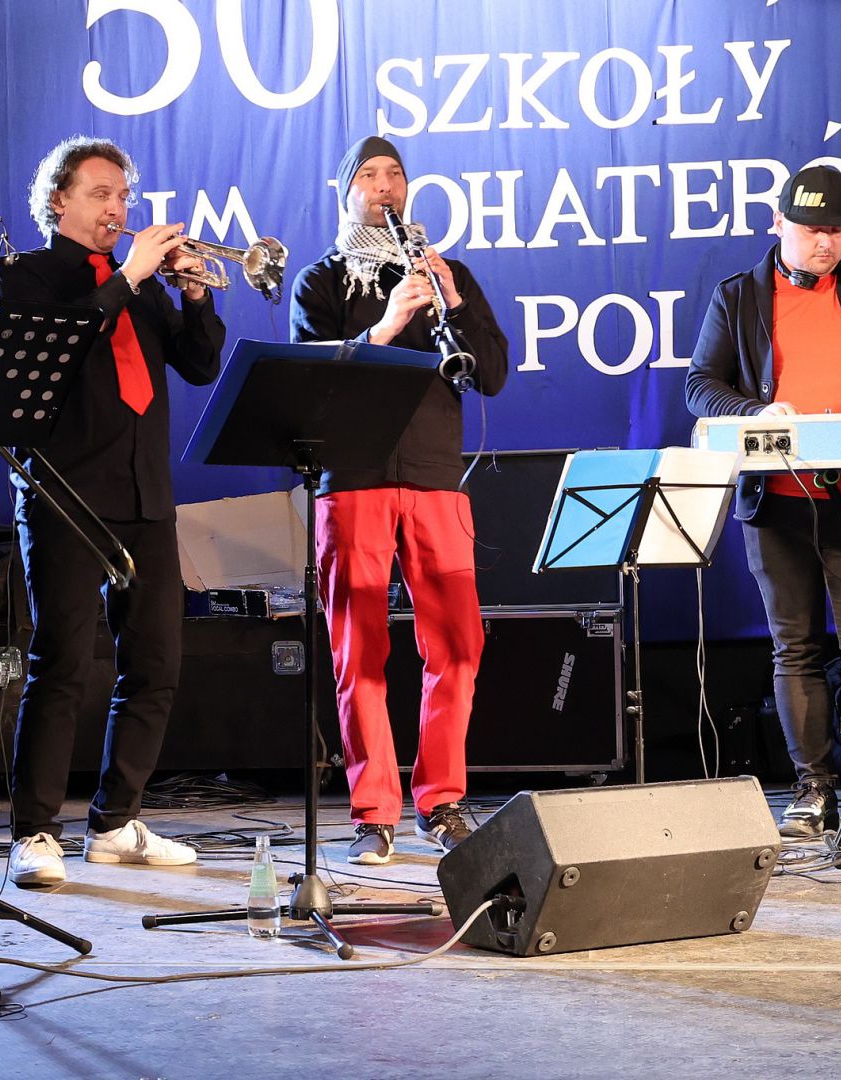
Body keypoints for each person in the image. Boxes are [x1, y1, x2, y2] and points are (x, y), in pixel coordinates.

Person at [0, 136, 225, 887]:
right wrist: (128, 276)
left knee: (154, 665)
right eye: (101, 194)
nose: (117, 209)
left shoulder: (145, 288)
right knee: (60, 662)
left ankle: (115, 821)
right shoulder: (25, 275)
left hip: (144, 492)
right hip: (64, 493)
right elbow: (55, 351)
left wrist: (194, 297)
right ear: (58, 200)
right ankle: (34, 831)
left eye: (123, 196)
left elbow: (200, 365)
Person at [685, 164, 841, 840]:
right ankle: (813, 789)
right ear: (778, 223)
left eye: (837, 230)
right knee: (794, 647)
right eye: (809, 230)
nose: (824, 242)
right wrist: (756, 412)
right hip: (777, 501)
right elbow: (700, 384)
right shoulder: (738, 296)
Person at [289, 136, 510, 865]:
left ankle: (440, 799)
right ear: (346, 192)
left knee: (459, 646)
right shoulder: (320, 282)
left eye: (395, 175)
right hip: (353, 480)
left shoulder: (448, 273)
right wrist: (385, 325)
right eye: (368, 176)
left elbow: (493, 375)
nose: (384, 186)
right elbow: (313, 384)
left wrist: (451, 299)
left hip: (436, 477)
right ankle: (373, 811)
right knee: (360, 650)